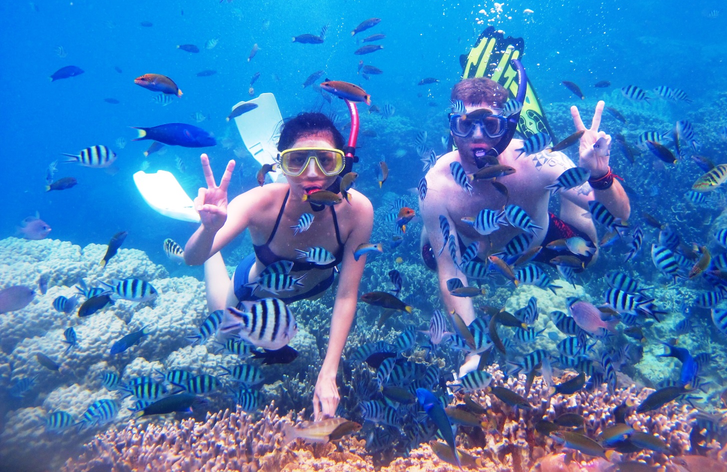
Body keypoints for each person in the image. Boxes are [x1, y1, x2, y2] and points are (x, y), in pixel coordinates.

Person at [184, 112, 374, 420]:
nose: (312, 174)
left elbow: (346, 294)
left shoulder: (358, 210)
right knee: (222, 331)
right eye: (296, 161)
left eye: (326, 161)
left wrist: (329, 372)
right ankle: (202, 227)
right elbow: (191, 259)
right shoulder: (259, 202)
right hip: (256, 290)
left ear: (343, 164)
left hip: (314, 289)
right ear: (280, 164)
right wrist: (208, 230)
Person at [419, 77, 630, 326]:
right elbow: (450, 272)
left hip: (535, 241)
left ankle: (568, 198)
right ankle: (433, 223)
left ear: (508, 125)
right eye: (464, 125)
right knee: (432, 260)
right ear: (452, 127)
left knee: (588, 257)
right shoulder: (436, 184)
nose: (477, 136)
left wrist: (599, 175)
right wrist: (473, 349)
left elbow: (619, 216)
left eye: (490, 124)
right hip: (469, 247)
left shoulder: (539, 161)